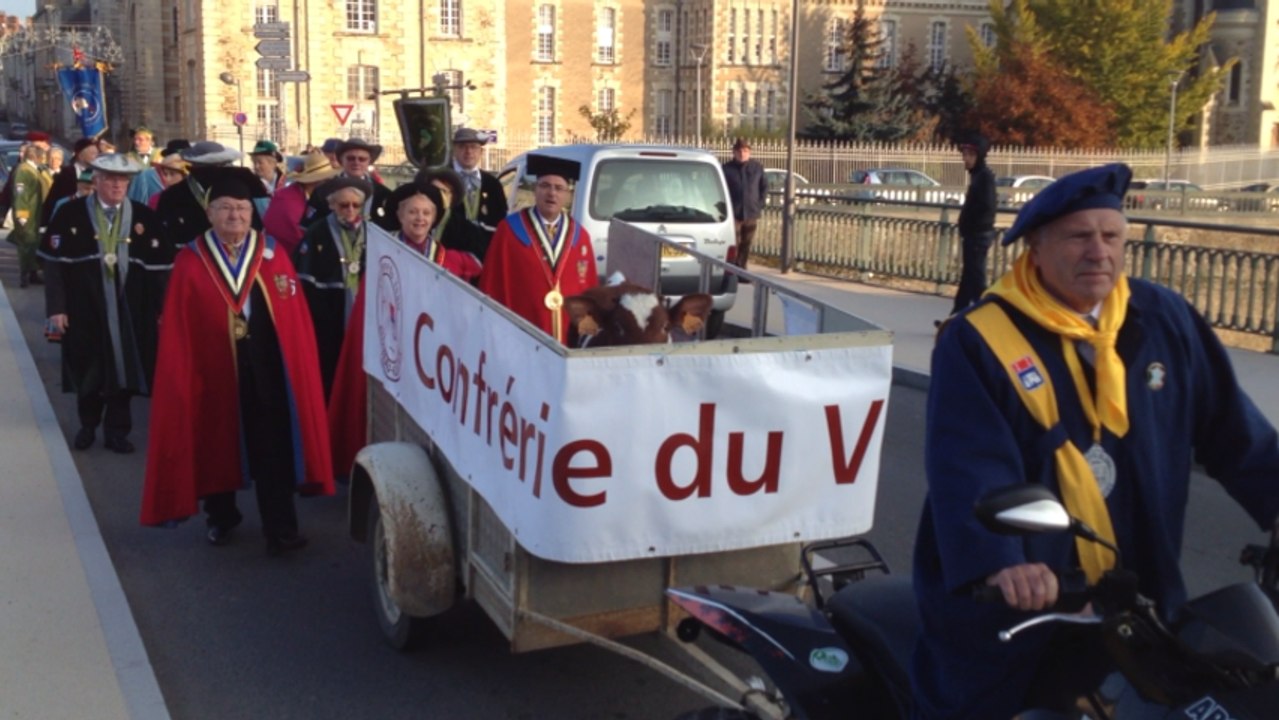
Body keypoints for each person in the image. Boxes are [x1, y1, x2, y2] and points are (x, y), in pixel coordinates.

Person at [911, 163, 1279, 719]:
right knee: (977, 705)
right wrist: (1003, 562)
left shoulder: (1163, 318)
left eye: (1112, 237)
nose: (1099, 252)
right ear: (1035, 246)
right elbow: (968, 463)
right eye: (1079, 236)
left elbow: (1233, 431)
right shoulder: (978, 337)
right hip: (1023, 604)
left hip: (1137, 589)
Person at [140, 176, 334, 555]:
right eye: (226, 208)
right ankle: (221, 518)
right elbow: (179, 326)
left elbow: (293, 321)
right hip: (212, 372)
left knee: (272, 449)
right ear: (210, 213)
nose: (235, 215)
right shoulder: (191, 259)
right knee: (217, 443)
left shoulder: (273, 254)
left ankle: (281, 530)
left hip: (266, 368)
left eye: (242, 209)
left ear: (252, 214)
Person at [326, 180, 481, 481]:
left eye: (426, 212)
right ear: (400, 215)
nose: (419, 219)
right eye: (412, 212)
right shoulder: (383, 255)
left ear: (434, 218)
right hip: (391, 351)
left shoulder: (450, 259)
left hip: (433, 356)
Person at [38, 154, 169, 454]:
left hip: (131, 309)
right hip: (84, 309)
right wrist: (56, 309)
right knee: (88, 370)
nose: (117, 185)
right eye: (109, 179)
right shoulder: (70, 214)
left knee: (126, 372)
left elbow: (161, 273)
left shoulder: (144, 218)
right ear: (95, 181)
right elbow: (55, 268)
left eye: (122, 180)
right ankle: (88, 425)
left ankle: (117, 432)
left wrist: (164, 312)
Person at [479, 154, 598, 344]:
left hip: (568, 339)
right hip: (521, 337)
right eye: (545, 186)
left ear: (568, 195)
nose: (552, 193)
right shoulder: (509, 231)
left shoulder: (580, 236)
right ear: (535, 190)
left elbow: (589, 291)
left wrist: (587, 337)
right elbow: (493, 285)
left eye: (559, 188)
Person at [293, 176, 373, 397]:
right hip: (328, 315)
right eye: (343, 204)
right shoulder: (316, 231)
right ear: (331, 205)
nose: (350, 209)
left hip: (365, 313)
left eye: (355, 205)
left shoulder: (373, 232)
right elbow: (305, 279)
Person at [937, 133, 998, 326]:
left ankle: (988, 320)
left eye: (969, 155)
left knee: (977, 279)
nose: (965, 158)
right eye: (964, 154)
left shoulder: (984, 178)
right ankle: (956, 317)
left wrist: (971, 222)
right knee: (968, 278)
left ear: (978, 156)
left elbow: (987, 207)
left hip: (978, 236)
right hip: (973, 235)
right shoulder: (978, 177)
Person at [306, 138, 393, 230]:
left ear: (369, 162)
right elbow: (310, 227)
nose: (356, 162)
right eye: (351, 158)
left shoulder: (383, 194)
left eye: (362, 159)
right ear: (341, 160)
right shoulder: (322, 191)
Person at [262, 151, 339, 255]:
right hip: (288, 259)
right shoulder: (289, 201)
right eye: (327, 180)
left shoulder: (302, 195)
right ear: (317, 181)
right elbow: (300, 239)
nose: (330, 184)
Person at [412, 165, 489, 264]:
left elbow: (478, 263)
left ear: (452, 198)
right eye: (432, 190)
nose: (438, 196)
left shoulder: (467, 231)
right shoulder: (410, 222)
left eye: (444, 192)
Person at [450, 127, 507, 244]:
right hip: (450, 249)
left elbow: (500, 218)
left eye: (473, 147)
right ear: (454, 150)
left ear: (481, 152)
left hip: (484, 250)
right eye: (463, 147)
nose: (468, 151)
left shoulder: (492, 183)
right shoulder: (444, 180)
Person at [721, 138, 766, 272]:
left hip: (751, 212)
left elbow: (764, 187)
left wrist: (759, 205)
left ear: (749, 152)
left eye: (745, 151)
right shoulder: (726, 169)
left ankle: (741, 269)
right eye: (739, 151)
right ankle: (733, 269)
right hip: (733, 213)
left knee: (746, 243)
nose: (742, 153)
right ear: (734, 153)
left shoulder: (757, 168)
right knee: (734, 242)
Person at [10, 143, 52, 287]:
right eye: (43, 156)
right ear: (36, 157)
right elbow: (20, 193)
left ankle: (32, 273)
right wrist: (22, 214)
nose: (45, 159)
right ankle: (24, 275)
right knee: (26, 244)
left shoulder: (35, 170)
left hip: (35, 214)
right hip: (27, 214)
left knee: (34, 243)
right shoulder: (24, 171)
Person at [43, 138, 100, 226]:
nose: (96, 157)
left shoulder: (98, 173)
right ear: (80, 156)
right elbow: (55, 198)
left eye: (97, 153)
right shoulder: (67, 173)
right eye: (92, 154)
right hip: (69, 218)